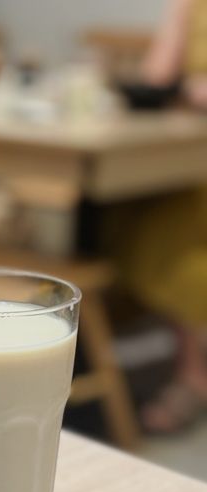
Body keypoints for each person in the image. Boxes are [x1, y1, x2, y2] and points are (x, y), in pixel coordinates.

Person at [108, 0, 207, 432]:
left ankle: (193, 375)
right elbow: (156, 78)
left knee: (177, 234)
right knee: (128, 216)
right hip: (187, 157)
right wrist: (177, 15)